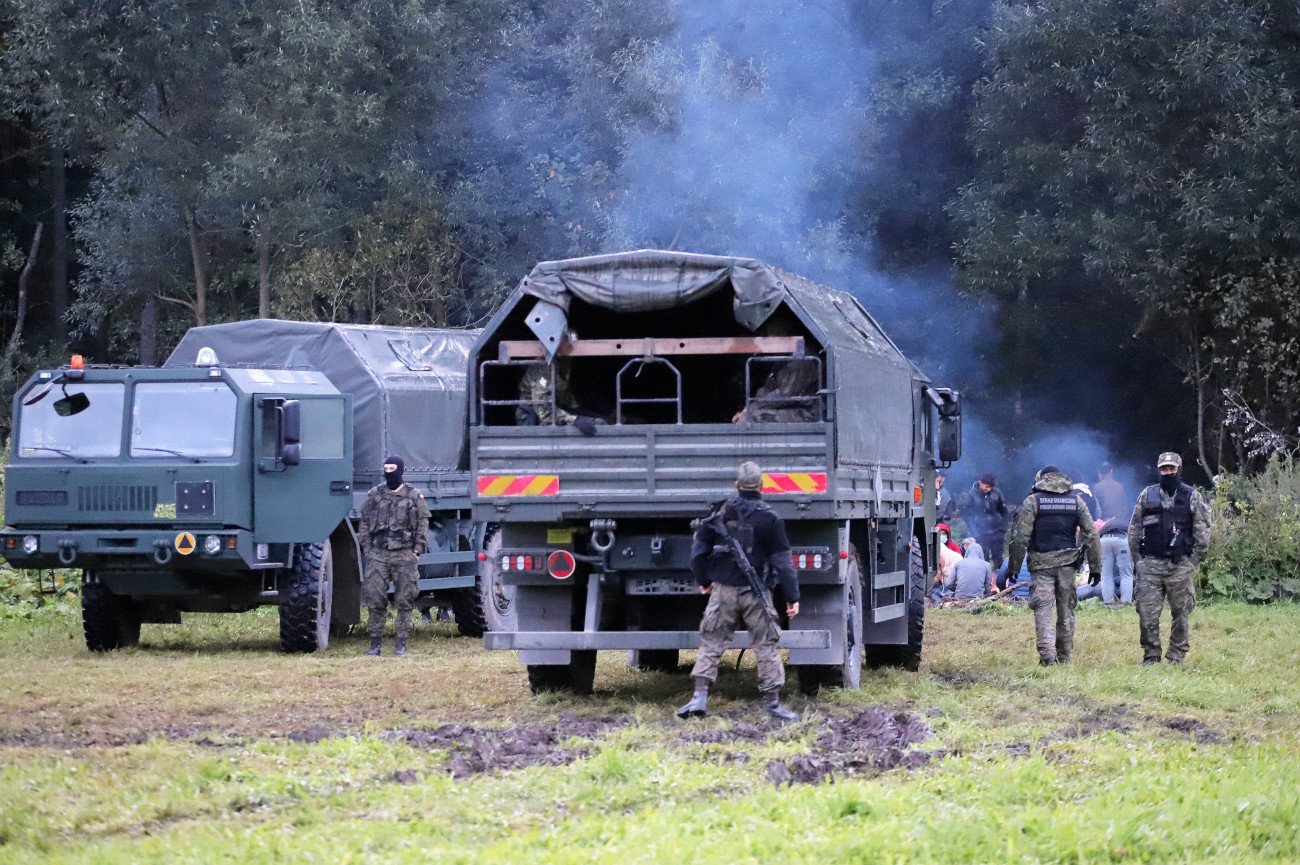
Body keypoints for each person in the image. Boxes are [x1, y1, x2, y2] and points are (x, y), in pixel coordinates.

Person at [678, 461, 801, 721]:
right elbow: (783, 563)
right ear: (761, 485)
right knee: (766, 644)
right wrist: (792, 597)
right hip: (756, 593)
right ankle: (772, 704)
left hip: (722, 591)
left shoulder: (719, 513)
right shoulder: (771, 518)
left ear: (737, 485)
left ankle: (699, 697)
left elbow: (698, 553)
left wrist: (704, 580)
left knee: (711, 641)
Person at [1005, 465, 1102, 665]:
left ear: (1041, 479)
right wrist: (1095, 567)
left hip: (1041, 565)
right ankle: (1065, 657)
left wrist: (1014, 567)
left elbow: (1020, 537)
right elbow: (1092, 535)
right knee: (1066, 610)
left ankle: (1047, 656)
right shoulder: (1076, 501)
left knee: (1043, 608)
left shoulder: (1033, 501)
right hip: (1068, 566)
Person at [1128, 452, 1211, 665]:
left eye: (1171, 468)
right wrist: (1138, 562)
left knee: (1181, 613)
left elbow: (1202, 532)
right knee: (1146, 614)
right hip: (1150, 565)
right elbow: (1134, 529)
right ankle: (1151, 655)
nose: (1167, 472)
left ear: (1178, 469)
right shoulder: (1147, 495)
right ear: (1159, 470)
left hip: (1179, 565)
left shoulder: (1191, 496)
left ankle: (1176, 655)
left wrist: (1192, 562)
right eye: (1164, 469)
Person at [359, 455, 430, 657]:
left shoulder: (413, 496)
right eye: (386, 469)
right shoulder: (375, 495)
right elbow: (364, 523)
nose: (389, 472)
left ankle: (401, 642)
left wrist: (417, 550)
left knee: (405, 600)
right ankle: (375, 643)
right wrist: (367, 548)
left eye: (393, 469)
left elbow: (423, 523)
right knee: (375, 599)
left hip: (404, 555)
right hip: (378, 555)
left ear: (400, 470)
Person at [518, 361, 597, 435]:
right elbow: (544, 410)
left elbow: (565, 396)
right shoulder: (541, 368)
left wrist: (581, 413)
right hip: (533, 416)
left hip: (557, 410)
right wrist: (574, 419)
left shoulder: (563, 363)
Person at [960, 473, 1011, 570]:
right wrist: (975, 533)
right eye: (987, 486)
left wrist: (1003, 528)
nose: (989, 489)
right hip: (980, 532)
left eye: (991, 487)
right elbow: (968, 516)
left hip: (997, 531)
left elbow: (1004, 511)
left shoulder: (997, 492)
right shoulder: (971, 495)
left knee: (998, 558)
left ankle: (998, 577)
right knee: (983, 559)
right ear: (980, 483)